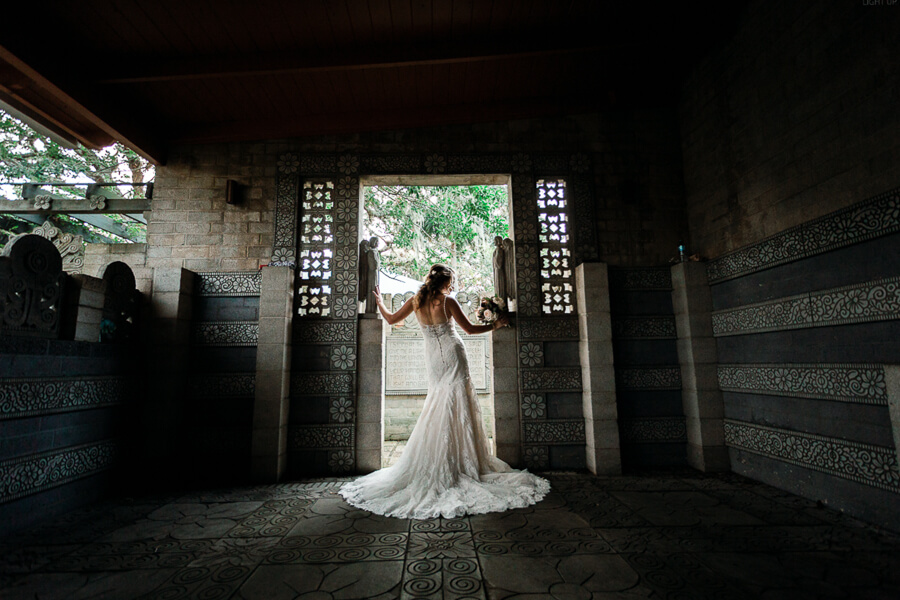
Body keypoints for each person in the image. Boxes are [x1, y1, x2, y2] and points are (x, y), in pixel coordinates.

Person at [339, 264, 550, 519]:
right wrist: (496, 325)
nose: (452, 286)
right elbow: (470, 330)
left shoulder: (416, 301)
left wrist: (379, 303)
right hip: (453, 354)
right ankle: (463, 460)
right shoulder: (448, 301)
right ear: (446, 282)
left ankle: (446, 458)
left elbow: (392, 319)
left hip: (434, 360)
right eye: (451, 282)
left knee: (439, 401)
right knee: (458, 399)